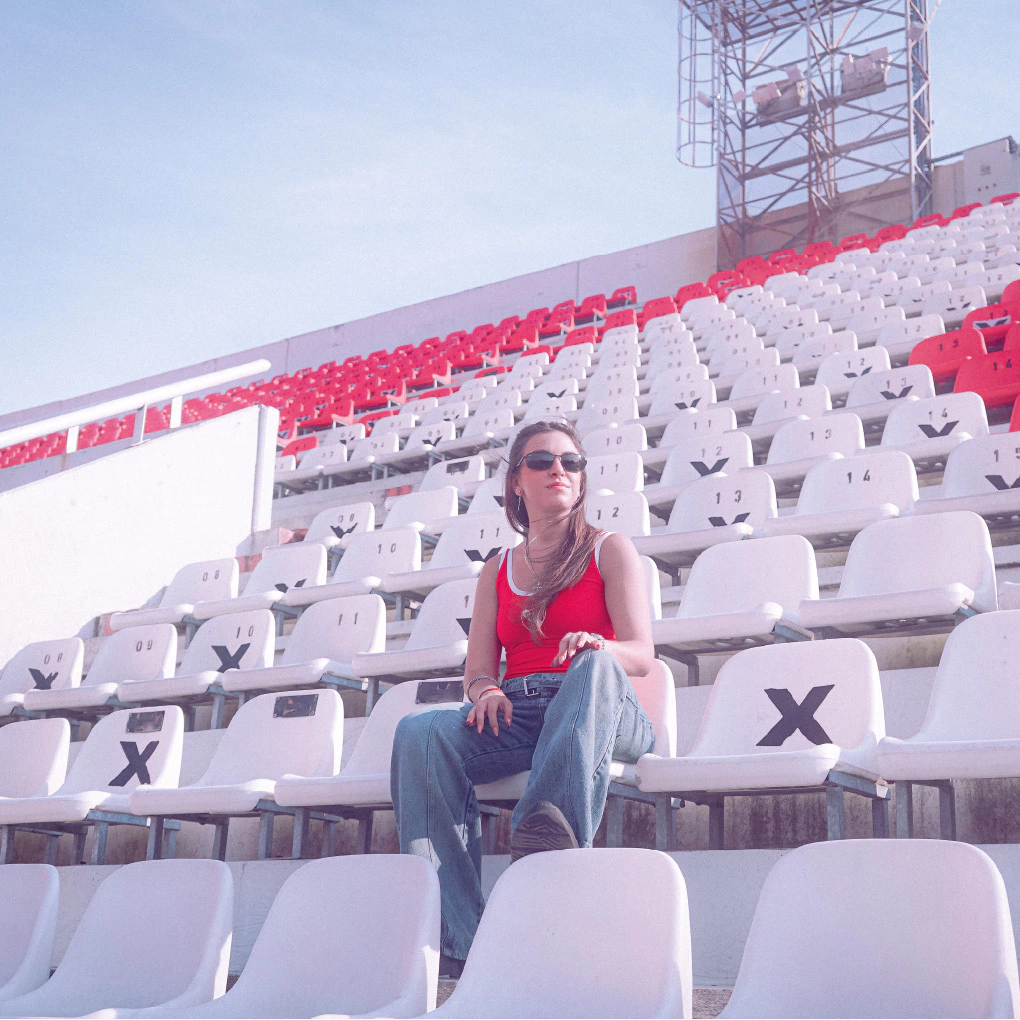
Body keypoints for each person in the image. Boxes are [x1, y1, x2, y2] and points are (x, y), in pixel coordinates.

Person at [390, 419, 656, 973]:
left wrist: (599, 646)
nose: (559, 470)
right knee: (419, 732)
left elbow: (641, 653)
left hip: (598, 703)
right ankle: (459, 941)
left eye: (571, 462)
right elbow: (477, 669)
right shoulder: (496, 570)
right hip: (522, 711)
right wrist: (485, 689)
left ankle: (544, 834)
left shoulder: (610, 549)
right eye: (541, 461)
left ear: (581, 478)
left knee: (595, 665)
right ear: (516, 480)